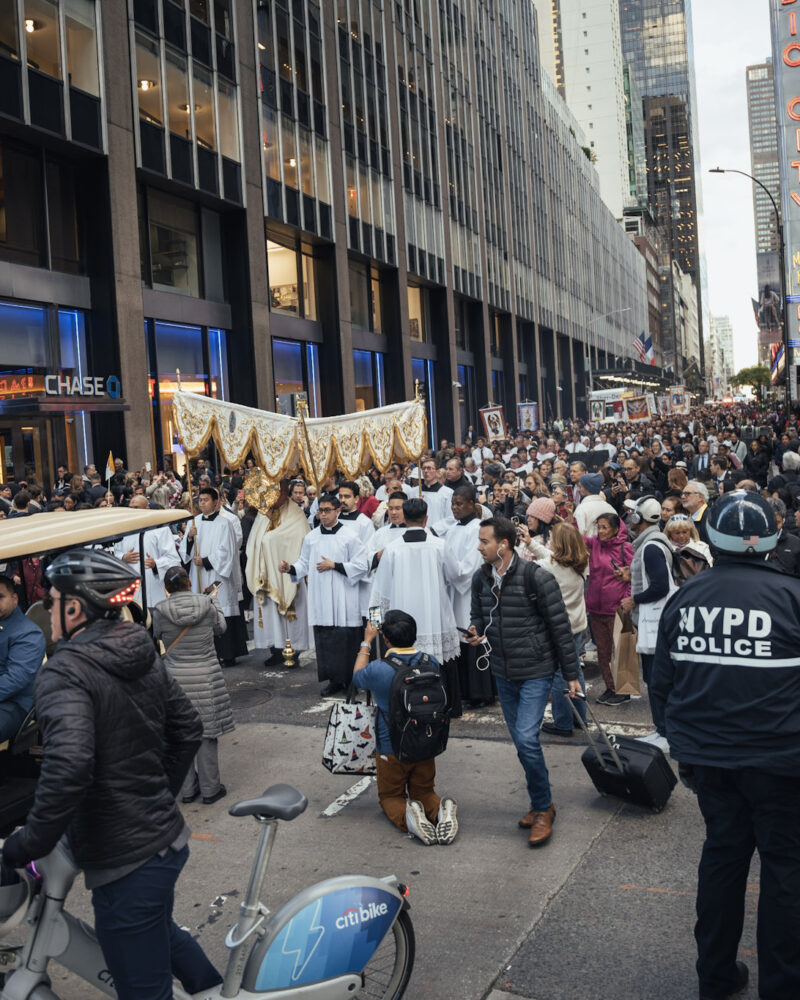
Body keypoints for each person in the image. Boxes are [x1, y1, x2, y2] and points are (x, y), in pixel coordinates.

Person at [0, 549, 222, 999]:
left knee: (142, 987)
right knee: (160, 932)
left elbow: (69, 769)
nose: (45, 610)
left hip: (125, 858)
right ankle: (212, 990)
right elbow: (188, 729)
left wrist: (26, 843)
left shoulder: (63, 671)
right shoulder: (138, 648)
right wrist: (156, 795)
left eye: (52, 599)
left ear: (75, 608)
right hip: (161, 840)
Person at [650, 491, 800, 1000]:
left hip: (709, 760)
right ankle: (781, 986)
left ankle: (714, 976)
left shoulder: (685, 600)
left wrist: (680, 743)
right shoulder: (792, 598)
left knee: (723, 860)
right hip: (781, 763)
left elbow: (663, 685)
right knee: (784, 873)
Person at [467, 516, 581, 847]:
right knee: (521, 742)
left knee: (528, 739)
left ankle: (543, 809)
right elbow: (478, 616)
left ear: (503, 545)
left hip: (535, 669)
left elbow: (561, 628)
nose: (479, 547)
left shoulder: (536, 577)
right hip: (503, 670)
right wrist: (476, 632)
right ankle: (540, 801)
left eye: (484, 541)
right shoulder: (481, 578)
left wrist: (571, 675)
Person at [352, 610, 458, 845]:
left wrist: (366, 641)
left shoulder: (379, 669)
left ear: (385, 638)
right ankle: (441, 811)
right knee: (424, 792)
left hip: (392, 746)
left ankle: (410, 817)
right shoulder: (429, 661)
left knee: (391, 796)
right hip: (426, 742)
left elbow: (357, 677)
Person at [369, 498, 462, 716]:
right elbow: (455, 574)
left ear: (405, 518)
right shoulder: (439, 545)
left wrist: (373, 624)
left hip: (403, 623)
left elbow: (379, 591)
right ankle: (445, 705)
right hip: (435, 615)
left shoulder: (392, 549)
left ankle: (408, 706)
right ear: (426, 518)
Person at [152, 567, 233, 805]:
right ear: (189, 582)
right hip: (206, 676)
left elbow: (157, 635)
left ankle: (187, 790)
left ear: (166, 588)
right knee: (207, 734)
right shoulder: (206, 603)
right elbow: (221, 628)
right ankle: (210, 789)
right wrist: (215, 601)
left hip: (176, 678)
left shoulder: (159, 610)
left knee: (181, 734)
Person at [279, 493, 369, 697]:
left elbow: (361, 565)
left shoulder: (350, 536)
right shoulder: (311, 538)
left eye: (328, 510)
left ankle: (350, 681)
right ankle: (333, 681)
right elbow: (304, 563)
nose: (323, 514)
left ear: (338, 511)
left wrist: (335, 565)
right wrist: (290, 568)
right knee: (326, 640)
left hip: (343, 596)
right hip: (321, 597)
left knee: (346, 640)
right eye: (320, 510)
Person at [618, 496, 676, 749]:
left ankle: (664, 732)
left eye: (633, 514)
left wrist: (634, 600)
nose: (630, 518)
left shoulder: (651, 547)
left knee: (656, 679)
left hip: (655, 622)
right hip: (655, 621)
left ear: (640, 518)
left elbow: (661, 585)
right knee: (655, 678)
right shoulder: (650, 544)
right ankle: (660, 728)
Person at [178, 486, 246, 666]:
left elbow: (227, 551)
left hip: (217, 574)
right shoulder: (194, 522)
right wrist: (190, 539)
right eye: (200, 500)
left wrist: (206, 561)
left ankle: (227, 653)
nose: (202, 503)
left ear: (216, 502)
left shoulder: (225, 523)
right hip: (198, 573)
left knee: (220, 610)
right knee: (203, 612)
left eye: (206, 500)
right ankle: (208, 652)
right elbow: (184, 552)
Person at [246, 479, 311, 666]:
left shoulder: (296, 514)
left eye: (281, 492)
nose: (277, 496)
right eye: (273, 492)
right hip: (266, 576)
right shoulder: (263, 514)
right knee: (270, 616)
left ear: (286, 493)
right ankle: (275, 649)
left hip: (288, 576)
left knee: (291, 616)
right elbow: (255, 542)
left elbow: (301, 541)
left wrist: (271, 541)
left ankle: (294, 651)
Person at [537, 523, 589, 738]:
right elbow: (551, 557)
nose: (549, 542)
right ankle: (579, 718)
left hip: (560, 629)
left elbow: (540, 563)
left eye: (552, 539)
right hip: (577, 625)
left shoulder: (550, 567)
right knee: (574, 669)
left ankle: (563, 722)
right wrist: (530, 543)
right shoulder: (581, 561)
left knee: (560, 674)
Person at [445, 486, 494, 708]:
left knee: (472, 636)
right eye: (453, 504)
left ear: (472, 505)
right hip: (455, 591)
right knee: (461, 639)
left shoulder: (477, 529)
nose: (454, 508)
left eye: (459, 504)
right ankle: (466, 690)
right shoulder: (453, 528)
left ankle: (481, 692)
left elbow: (470, 566)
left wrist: (448, 575)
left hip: (471, 592)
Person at [583, 513, 633, 705]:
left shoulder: (625, 547)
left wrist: (626, 598)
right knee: (603, 652)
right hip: (596, 608)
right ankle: (610, 687)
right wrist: (566, 516)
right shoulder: (595, 543)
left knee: (621, 651)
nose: (601, 531)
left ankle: (624, 690)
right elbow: (576, 538)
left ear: (615, 529)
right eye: (599, 527)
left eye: (605, 527)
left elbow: (633, 574)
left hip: (617, 609)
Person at [112, 495, 182, 610]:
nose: (133, 511)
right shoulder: (123, 529)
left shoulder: (160, 528)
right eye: (131, 508)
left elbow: (173, 558)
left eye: (137, 507)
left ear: (147, 508)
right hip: (130, 584)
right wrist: (123, 557)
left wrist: (156, 564)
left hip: (153, 585)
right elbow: (115, 552)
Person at [0, 575, 47, 741]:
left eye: (0, 597)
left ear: (14, 598)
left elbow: (16, 679)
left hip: (12, 703)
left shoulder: (27, 633)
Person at [663, 512, 713, 585]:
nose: (681, 536)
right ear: (670, 533)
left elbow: (710, 569)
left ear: (690, 531)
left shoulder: (702, 547)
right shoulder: (665, 549)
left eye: (685, 532)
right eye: (677, 533)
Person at [766, 496, 800, 576]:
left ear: (784, 520)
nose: (773, 527)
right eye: (769, 522)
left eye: (777, 522)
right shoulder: (752, 541)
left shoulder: (796, 544)